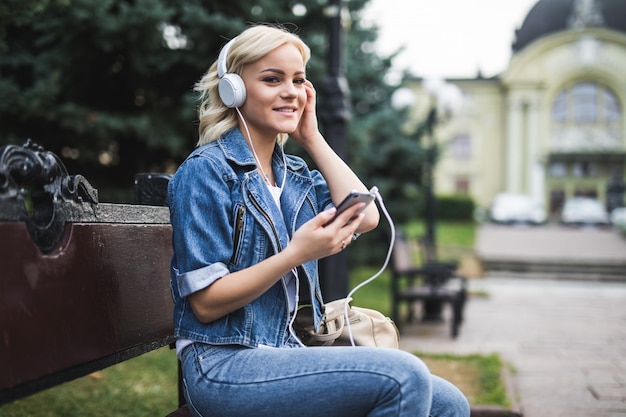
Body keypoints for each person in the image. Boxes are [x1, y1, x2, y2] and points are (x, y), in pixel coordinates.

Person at [167, 24, 470, 417]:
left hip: (285, 352)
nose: (291, 91)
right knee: (402, 376)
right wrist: (295, 254)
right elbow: (205, 304)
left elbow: (366, 216)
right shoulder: (206, 172)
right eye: (272, 79)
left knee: (449, 403)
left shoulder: (294, 176)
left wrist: (312, 137)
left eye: (298, 80)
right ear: (232, 89)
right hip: (222, 363)